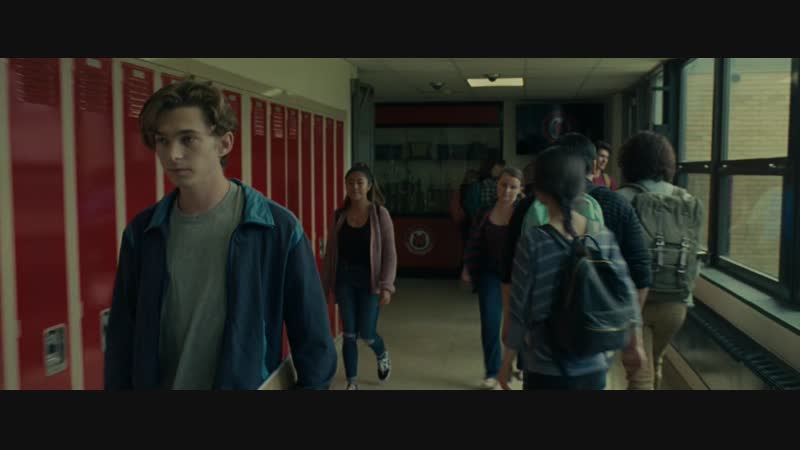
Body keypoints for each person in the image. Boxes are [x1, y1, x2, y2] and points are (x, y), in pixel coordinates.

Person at [105, 79, 337, 390]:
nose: (172, 154)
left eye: (188, 139)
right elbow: (122, 342)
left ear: (225, 143)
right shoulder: (143, 233)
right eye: (162, 140)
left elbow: (314, 343)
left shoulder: (276, 230)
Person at [499, 147, 642, 390]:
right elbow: (627, 292)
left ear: (539, 192)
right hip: (594, 363)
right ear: (581, 188)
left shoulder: (533, 242)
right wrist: (635, 345)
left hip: (545, 366)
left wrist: (507, 360)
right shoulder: (603, 235)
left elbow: (519, 308)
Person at [615, 131, 704, 390]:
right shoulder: (687, 200)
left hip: (637, 301)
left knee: (639, 376)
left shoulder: (620, 199)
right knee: (655, 361)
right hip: (677, 302)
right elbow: (695, 253)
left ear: (628, 162)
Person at [322, 163, 397, 391]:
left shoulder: (379, 214)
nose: (354, 187)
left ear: (369, 186)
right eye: (350, 183)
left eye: (359, 182)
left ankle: (382, 353)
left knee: (367, 333)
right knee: (349, 333)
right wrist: (325, 286)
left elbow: (390, 253)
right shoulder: (340, 216)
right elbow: (331, 254)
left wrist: (386, 286)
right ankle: (352, 382)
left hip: (370, 281)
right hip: (345, 278)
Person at [462, 167, 524, 389]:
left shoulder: (524, 213)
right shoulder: (485, 211)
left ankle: (519, 363)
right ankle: (493, 371)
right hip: (489, 273)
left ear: (520, 190)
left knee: (518, 322)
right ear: (497, 185)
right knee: (490, 323)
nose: (507, 191)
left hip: (517, 275)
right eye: (503, 185)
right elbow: (474, 241)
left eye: (513, 187)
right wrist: (467, 266)